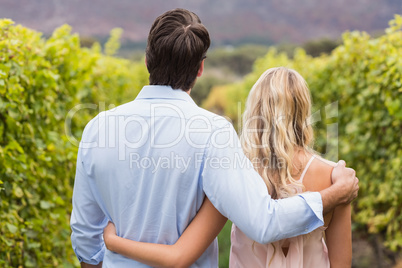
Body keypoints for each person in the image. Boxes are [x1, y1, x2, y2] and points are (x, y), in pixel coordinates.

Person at [70, 8, 358, 268]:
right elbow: (263, 222)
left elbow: (86, 236)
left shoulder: (97, 128)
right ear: (200, 69)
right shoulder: (213, 132)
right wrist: (333, 195)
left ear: (147, 61)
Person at [102, 67, 352, 267]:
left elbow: (179, 256)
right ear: (304, 111)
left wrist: (113, 242)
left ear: (254, 111)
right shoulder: (336, 180)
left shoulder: (233, 171)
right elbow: (341, 264)